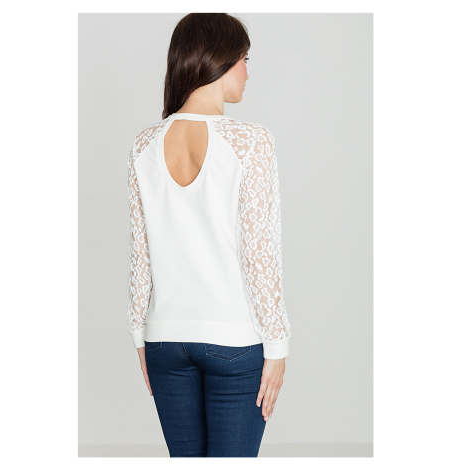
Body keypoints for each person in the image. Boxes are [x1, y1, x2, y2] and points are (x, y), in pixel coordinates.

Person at [127, 13, 292, 457]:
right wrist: (277, 345)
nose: (248, 73)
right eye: (244, 60)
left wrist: (140, 337)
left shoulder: (143, 145)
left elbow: (141, 257)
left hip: (165, 341)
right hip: (234, 342)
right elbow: (260, 254)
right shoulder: (251, 142)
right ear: (219, 59)